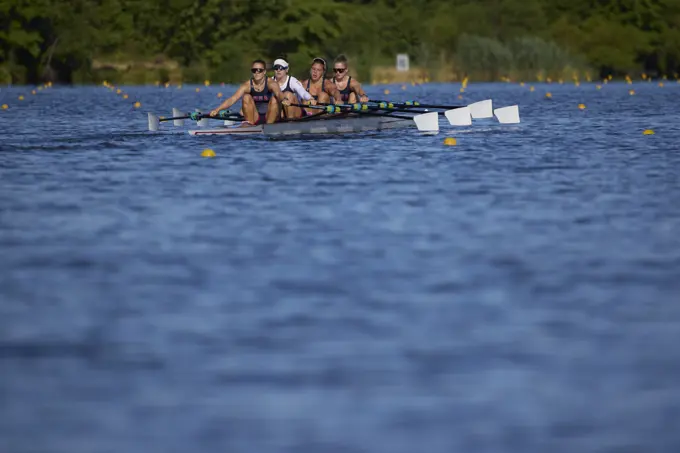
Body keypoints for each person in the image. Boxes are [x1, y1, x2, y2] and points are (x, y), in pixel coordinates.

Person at [208, 59, 287, 124]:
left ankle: (269, 127)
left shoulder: (271, 83)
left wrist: (283, 100)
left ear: (264, 72)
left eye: (260, 70)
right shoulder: (247, 85)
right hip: (255, 117)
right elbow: (232, 99)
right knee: (246, 97)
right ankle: (249, 125)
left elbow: (279, 94)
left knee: (274, 99)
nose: (257, 72)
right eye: (254, 70)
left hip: (270, 116)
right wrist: (217, 110)